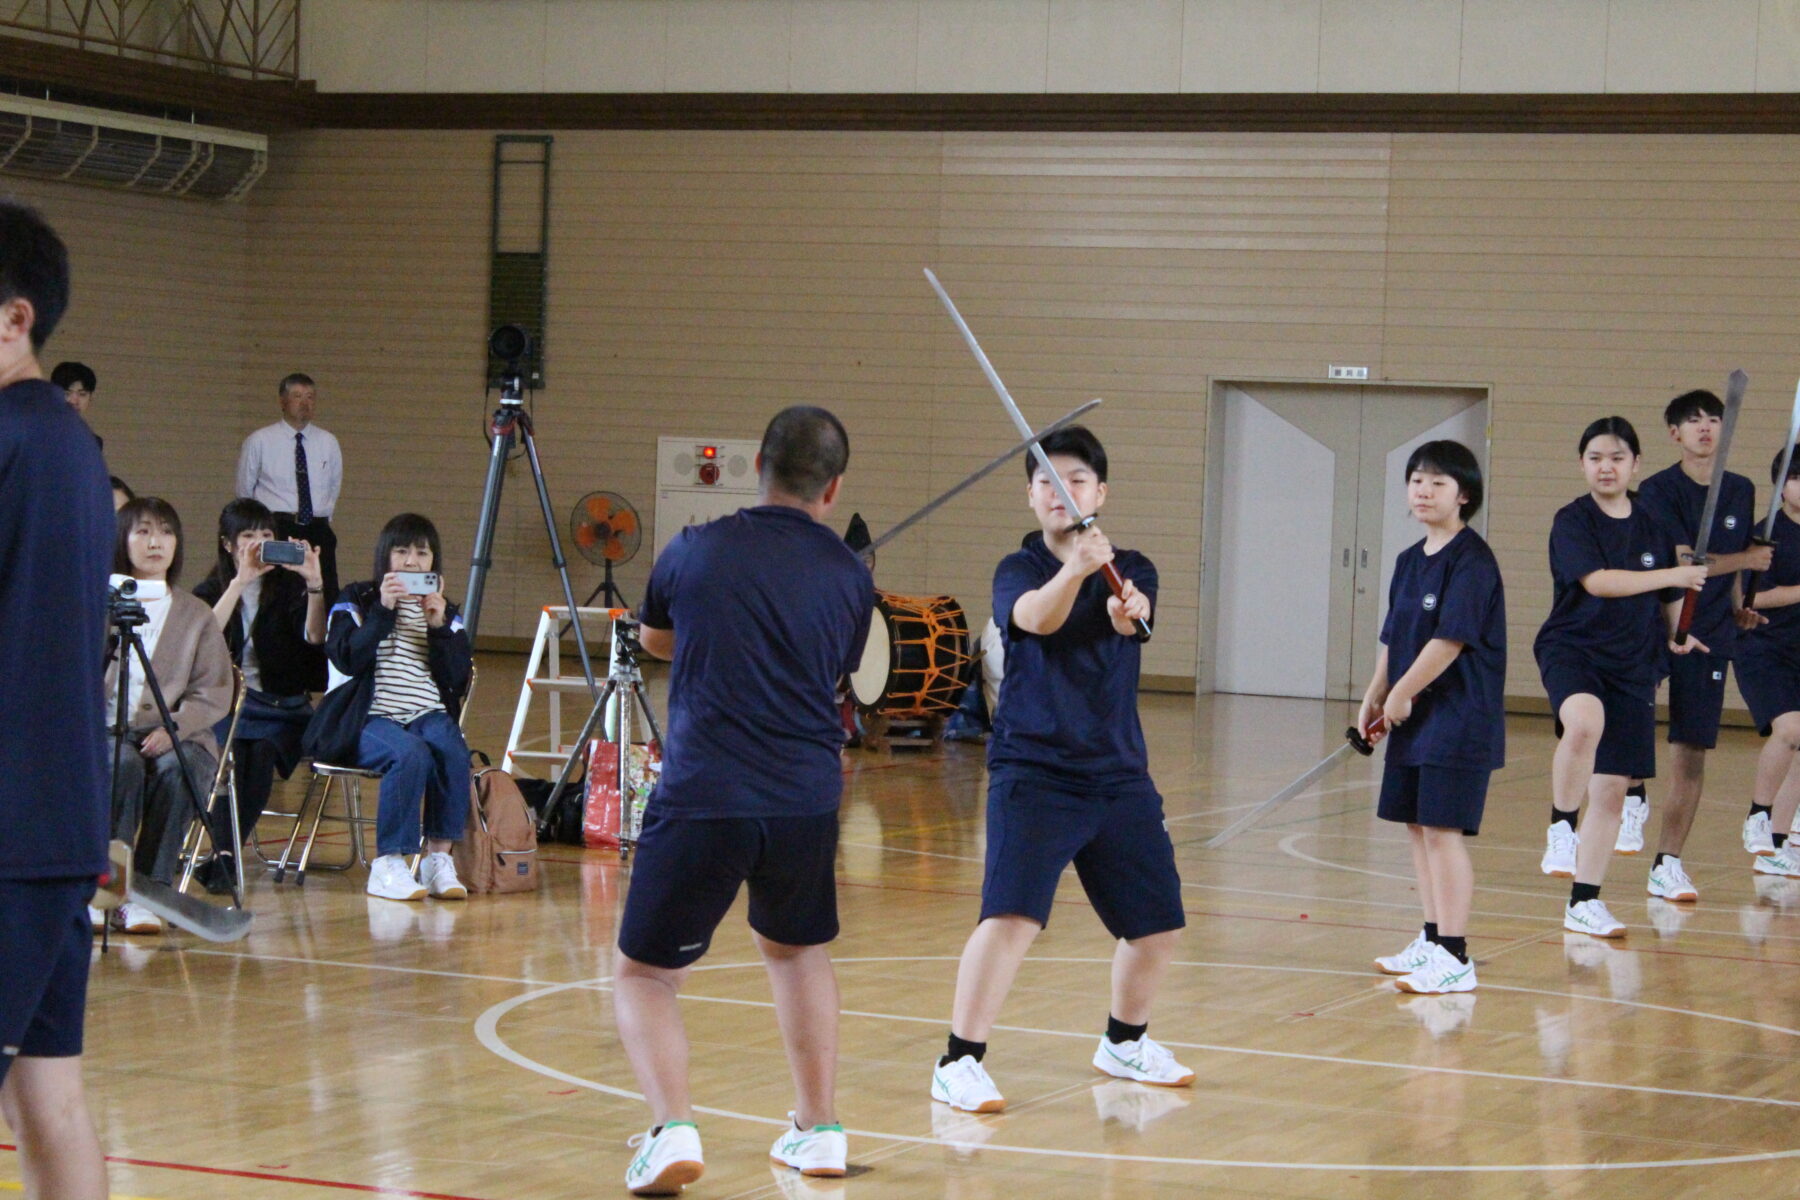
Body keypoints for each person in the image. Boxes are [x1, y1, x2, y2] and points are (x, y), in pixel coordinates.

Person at [612, 406, 873, 1194]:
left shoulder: (694, 549)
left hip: (706, 792)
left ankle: (672, 1129)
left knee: (643, 976)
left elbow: (657, 639)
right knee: (797, 952)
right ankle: (820, 1128)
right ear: (833, 489)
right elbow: (838, 671)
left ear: (755, 463)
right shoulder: (850, 578)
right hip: (804, 798)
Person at [930, 425, 1191, 1117]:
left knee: (1155, 925)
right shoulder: (1017, 569)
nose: (1059, 490)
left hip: (1117, 773)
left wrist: (1126, 606)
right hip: (1035, 769)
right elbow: (1033, 622)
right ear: (1030, 495)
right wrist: (1075, 569)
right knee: (1011, 917)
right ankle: (959, 1060)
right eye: (1046, 480)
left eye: (1074, 478)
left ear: (1099, 492)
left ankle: (1125, 1043)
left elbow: (1132, 620)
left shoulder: (1133, 565)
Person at [0, 199, 111, 1200]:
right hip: (53, 823)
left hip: (8, 828)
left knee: (48, 1100)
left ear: (14, 317)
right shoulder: (69, 445)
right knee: (49, 1100)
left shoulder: (14, 437)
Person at [1534, 417, 1707, 938]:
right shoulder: (1573, 520)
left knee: (1610, 791)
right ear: (1582, 464)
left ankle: (1584, 901)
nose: (1605, 467)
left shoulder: (1652, 522)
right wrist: (1674, 574)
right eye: (1594, 458)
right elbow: (1601, 582)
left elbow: (1670, 600)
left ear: (1635, 464)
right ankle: (1561, 826)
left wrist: (1680, 632)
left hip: (1634, 662)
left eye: (1616, 458)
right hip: (1574, 649)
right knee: (1584, 722)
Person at [1359, 441, 1505, 995]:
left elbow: (1449, 640)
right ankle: (1431, 936)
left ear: (1464, 495)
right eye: (1417, 480)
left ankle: (1454, 954)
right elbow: (1395, 637)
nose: (1423, 490)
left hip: (1461, 716)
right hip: (1414, 714)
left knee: (1443, 833)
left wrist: (1403, 691)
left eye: (1438, 483)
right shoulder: (1407, 560)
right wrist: (1376, 693)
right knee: (1418, 831)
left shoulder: (1473, 560)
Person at [1618, 390, 1770, 903]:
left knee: (1692, 750)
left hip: (1709, 633)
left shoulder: (1741, 488)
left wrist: (1735, 606)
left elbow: (1723, 567)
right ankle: (1632, 794)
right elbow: (1687, 560)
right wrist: (1746, 560)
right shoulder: (1658, 490)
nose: (1705, 428)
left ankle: (1667, 864)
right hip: (1653, 624)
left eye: (1713, 419)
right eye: (1692, 421)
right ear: (1674, 434)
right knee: (1628, 725)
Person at [100, 497, 235, 935]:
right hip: (107, 730)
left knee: (179, 769)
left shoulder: (196, 614)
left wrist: (173, 727)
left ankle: (149, 891)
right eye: (142, 531)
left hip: (181, 734)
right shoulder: (97, 602)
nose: (155, 542)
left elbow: (214, 690)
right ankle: (109, 891)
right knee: (119, 765)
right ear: (122, 540)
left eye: (165, 532)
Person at [319, 513, 470, 904]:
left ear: (433, 562)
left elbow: (457, 678)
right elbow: (346, 657)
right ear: (385, 557)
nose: (411, 561)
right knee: (409, 754)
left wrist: (437, 627)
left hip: (426, 712)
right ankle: (388, 864)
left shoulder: (447, 613)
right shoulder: (357, 599)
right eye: (401, 551)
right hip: (367, 717)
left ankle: (437, 860)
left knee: (452, 749)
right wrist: (384, 610)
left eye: (421, 553)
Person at [190, 499, 328, 893]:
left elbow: (317, 638)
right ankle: (226, 856)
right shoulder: (212, 589)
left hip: (286, 708)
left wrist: (314, 583)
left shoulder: (290, 587)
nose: (258, 543)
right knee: (233, 754)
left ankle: (223, 855)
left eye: (267, 535)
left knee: (260, 751)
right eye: (248, 536)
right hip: (232, 707)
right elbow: (202, 641)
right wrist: (239, 584)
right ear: (228, 544)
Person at [1731, 447, 1800, 880]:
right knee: (1791, 729)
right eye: (1795, 478)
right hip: (1764, 649)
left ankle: (1775, 844)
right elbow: (1747, 599)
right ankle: (1758, 814)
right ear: (1780, 486)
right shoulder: (1765, 536)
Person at [236, 372, 343, 603]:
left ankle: (320, 638)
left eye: (310, 397)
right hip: (278, 528)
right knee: (277, 596)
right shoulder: (260, 441)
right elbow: (245, 492)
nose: (305, 403)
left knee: (325, 593)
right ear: (282, 401)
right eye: (297, 396)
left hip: (317, 530)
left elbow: (333, 487)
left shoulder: (328, 442)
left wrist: (321, 519)